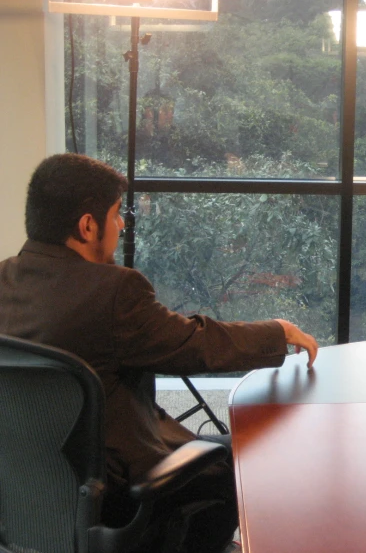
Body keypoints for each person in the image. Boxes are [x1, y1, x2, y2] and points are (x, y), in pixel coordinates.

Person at [0, 153, 318, 553]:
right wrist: (279, 332)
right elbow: (193, 343)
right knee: (241, 453)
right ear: (86, 225)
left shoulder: (4, 279)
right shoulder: (112, 290)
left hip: (26, 491)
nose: (120, 227)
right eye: (117, 216)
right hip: (116, 490)